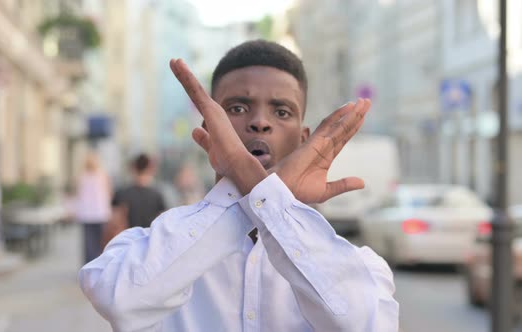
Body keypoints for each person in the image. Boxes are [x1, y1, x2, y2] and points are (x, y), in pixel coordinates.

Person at [79, 40, 399, 331]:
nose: (260, 122)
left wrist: (268, 198)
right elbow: (121, 301)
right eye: (237, 108)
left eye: (281, 111)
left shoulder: (361, 265)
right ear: (209, 130)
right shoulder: (146, 248)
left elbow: (364, 324)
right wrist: (265, 194)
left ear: (303, 140)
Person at [74, 152, 112, 264]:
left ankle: (90, 264)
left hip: (89, 213)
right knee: (99, 241)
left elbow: (78, 194)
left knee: (89, 243)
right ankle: (98, 263)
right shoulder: (102, 175)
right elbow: (109, 193)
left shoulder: (81, 176)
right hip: (98, 213)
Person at [111, 153, 167, 229]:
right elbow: (163, 223)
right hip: (151, 238)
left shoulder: (121, 194)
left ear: (133, 168)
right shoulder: (157, 195)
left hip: (128, 238)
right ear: (151, 169)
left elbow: (115, 223)